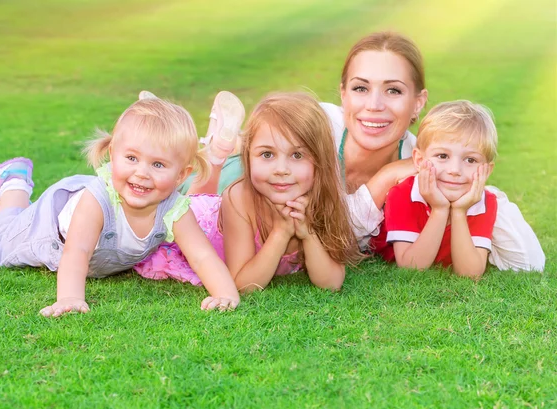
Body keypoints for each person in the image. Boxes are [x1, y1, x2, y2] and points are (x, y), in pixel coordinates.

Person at [182, 31, 545, 272]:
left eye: (393, 91)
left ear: (418, 103)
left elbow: (531, 261)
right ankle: (215, 151)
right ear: (342, 93)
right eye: (360, 88)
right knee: (193, 199)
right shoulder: (320, 123)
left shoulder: (432, 161)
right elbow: (333, 226)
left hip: (290, 227)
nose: (374, 106)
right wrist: (386, 177)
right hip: (246, 175)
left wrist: (483, 194)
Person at [0, 97, 240, 317]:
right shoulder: (97, 200)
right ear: (113, 155)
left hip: (96, 247)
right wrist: (70, 299)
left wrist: (225, 293)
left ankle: (15, 184)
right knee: (3, 239)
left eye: (158, 165)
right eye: (131, 158)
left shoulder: (174, 209)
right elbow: (78, 251)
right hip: (50, 229)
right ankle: (13, 183)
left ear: (182, 175)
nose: (142, 172)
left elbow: (203, 256)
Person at [135, 92, 364, 292]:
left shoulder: (323, 199)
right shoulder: (239, 198)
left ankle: (207, 147)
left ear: (319, 161)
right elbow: (243, 284)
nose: (281, 170)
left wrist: (308, 234)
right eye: (267, 154)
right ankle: (164, 127)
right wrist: (281, 233)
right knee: (165, 200)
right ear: (247, 157)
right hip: (196, 227)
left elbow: (332, 283)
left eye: (297, 155)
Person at [371, 100, 499, 279]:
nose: (455, 170)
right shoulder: (402, 194)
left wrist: (459, 211)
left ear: (487, 170)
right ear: (419, 160)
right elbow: (412, 268)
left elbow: (470, 274)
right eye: (442, 156)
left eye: (470, 160)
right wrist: (439, 210)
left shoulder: (485, 202)